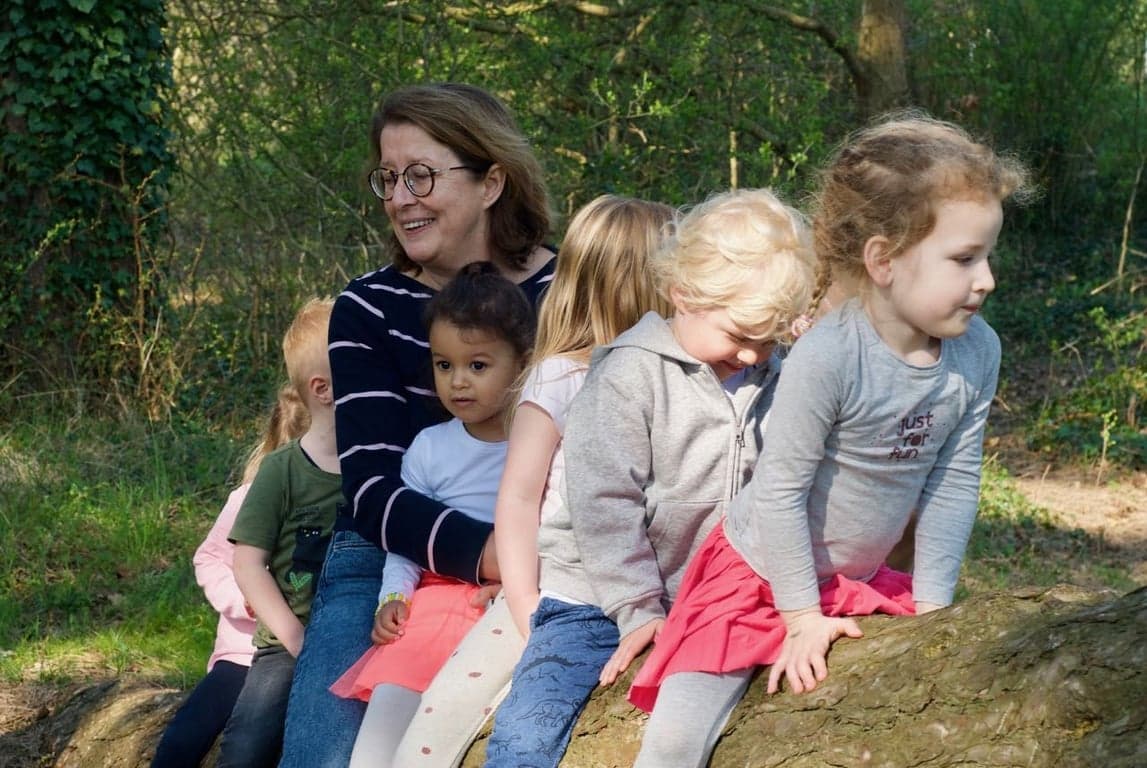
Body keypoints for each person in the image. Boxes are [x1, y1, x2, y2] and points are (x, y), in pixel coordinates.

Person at [627, 113, 1033, 768]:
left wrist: (933, 607)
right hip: (759, 573)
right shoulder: (829, 356)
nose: (984, 279)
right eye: (963, 259)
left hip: (856, 580)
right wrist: (799, 617)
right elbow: (782, 494)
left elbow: (951, 483)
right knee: (675, 743)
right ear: (883, 260)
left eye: (986, 255)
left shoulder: (976, 351)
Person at [484, 188, 817, 768]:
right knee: (527, 735)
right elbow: (604, 505)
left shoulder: (772, 379)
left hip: (712, 594)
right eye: (739, 336)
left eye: (768, 340)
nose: (750, 356)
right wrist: (638, 609)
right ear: (682, 295)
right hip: (591, 597)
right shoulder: (627, 376)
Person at [278, 82, 556, 768]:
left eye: (421, 175)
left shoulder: (568, 290)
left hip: (553, 550)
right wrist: (494, 555)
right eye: (388, 178)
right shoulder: (366, 308)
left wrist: (533, 558)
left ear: (491, 181)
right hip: (383, 559)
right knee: (325, 756)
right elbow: (371, 489)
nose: (399, 197)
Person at [389, 195, 675, 767]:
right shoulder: (562, 377)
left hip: (654, 592)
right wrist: (524, 601)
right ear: (641, 285)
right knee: (466, 727)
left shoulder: (677, 375)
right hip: (564, 595)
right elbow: (519, 500)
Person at [325, 263, 535, 767]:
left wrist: (523, 583)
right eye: (444, 366)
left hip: (507, 607)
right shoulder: (429, 449)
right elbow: (404, 539)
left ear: (522, 364)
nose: (458, 382)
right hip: (431, 608)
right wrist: (394, 596)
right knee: (377, 747)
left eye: (478, 366)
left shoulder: (538, 441)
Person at [151, 384, 309, 768]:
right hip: (242, 654)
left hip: (297, 654)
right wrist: (244, 601)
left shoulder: (332, 501)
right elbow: (210, 559)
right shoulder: (247, 498)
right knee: (184, 738)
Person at [216, 298, 342, 768]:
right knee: (247, 749)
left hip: (362, 636)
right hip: (288, 646)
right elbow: (248, 563)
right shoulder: (281, 471)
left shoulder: (379, 465)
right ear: (323, 389)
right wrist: (294, 637)